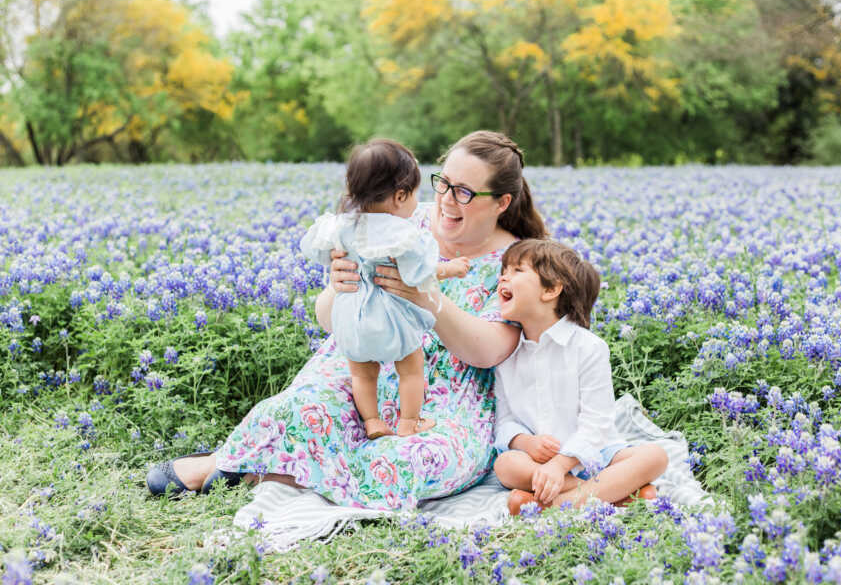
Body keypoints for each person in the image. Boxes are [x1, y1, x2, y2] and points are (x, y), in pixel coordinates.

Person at [147, 130, 549, 507]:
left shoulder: (519, 260)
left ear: (502, 202)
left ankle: (272, 470)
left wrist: (426, 298)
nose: (446, 199)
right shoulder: (395, 218)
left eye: (463, 191)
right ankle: (272, 466)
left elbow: (489, 350)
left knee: (411, 459)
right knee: (299, 410)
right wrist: (337, 287)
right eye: (442, 182)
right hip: (361, 368)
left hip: (441, 401)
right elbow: (327, 319)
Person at [299, 139, 470, 439]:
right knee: (412, 367)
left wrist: (337, 262)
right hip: (390, 319)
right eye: (415, 193)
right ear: (400, 196)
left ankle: (373, 422)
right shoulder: (400, 233)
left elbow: (319, 250)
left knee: (361, 373)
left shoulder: (340, 225)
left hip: (352, 317)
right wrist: (451, 269)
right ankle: (409, 422)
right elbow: (419, 273)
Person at [491, 239, 669, 515]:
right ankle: (613, 493)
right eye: (504, 269)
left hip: (597, 455)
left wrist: (561, 465)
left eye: (516, 270)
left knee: (655, 456)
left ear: (551, 290)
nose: (503, 276)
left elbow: (597, 423)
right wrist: (525, 443)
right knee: (506, 464)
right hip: (539, 460)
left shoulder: (588, 347)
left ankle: (561, 504)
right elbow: (505, 421)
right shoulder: (505, 353)